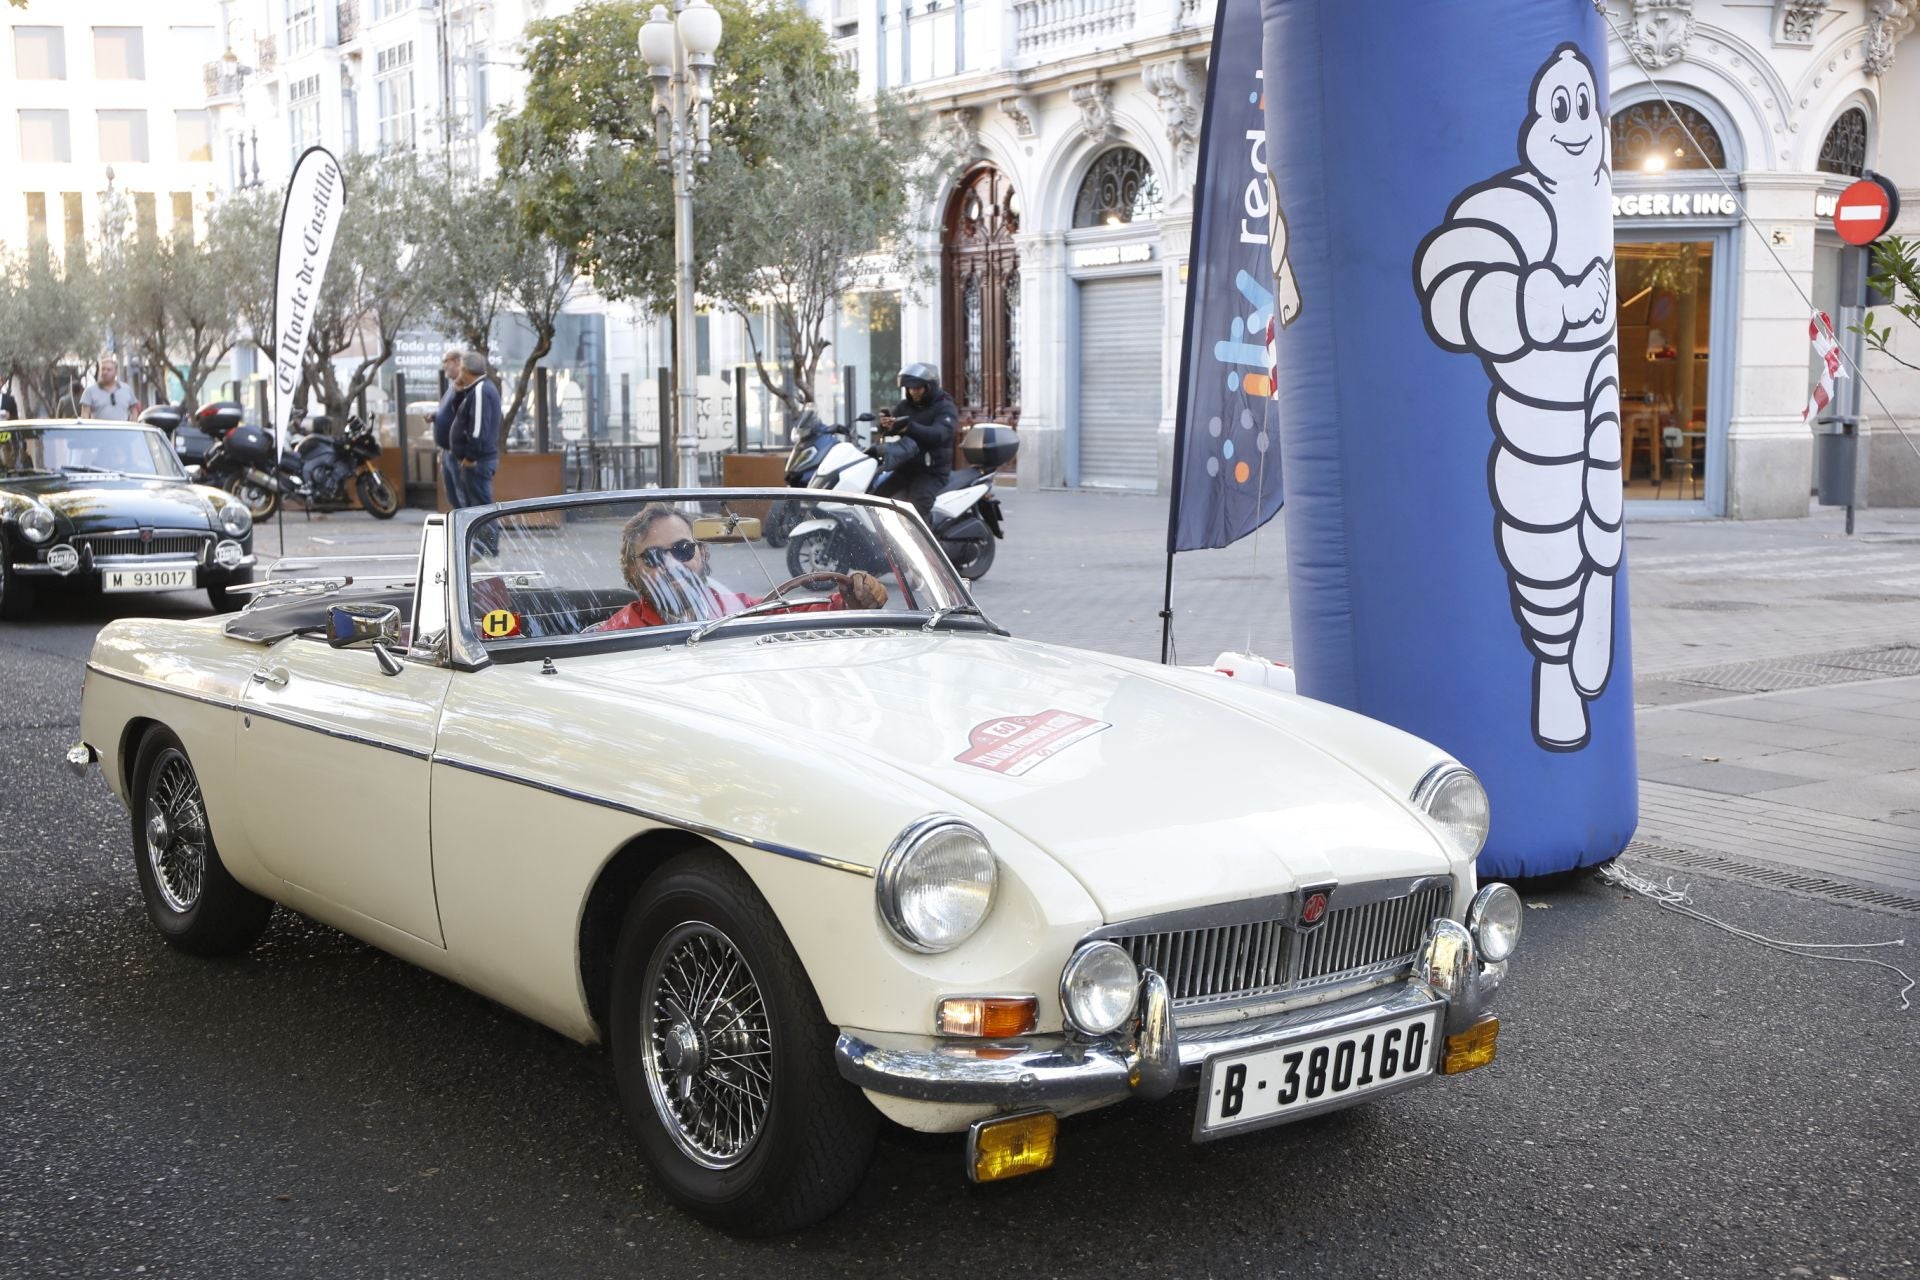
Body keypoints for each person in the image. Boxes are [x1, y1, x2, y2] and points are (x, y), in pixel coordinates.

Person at [588, 504, 886, 632]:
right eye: (653, 558)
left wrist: (851, 599)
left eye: (682, 550)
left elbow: (797, 618)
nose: (671, 566)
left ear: (702, 553)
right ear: (632, 571)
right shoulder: (619, 630)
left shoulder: (738, 610)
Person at [872, 362, 957, 528]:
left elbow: (939, 435)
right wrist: (886, 425)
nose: (913, 392)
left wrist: (909, 427)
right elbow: (893, 424)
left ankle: (925, 551)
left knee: (916, 511)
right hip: (905, 468)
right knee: (877, 499)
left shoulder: (945, 407)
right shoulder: (905, 406)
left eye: (918, 388)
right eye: (910, 389)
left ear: (929, 387)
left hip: (931, 472)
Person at [446, 350, 502, 509]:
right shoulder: (475, 389)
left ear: (465, 370)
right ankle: (478, 535)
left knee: (481, 509)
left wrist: (470, 458)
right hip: (477, 460)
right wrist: (458, 393)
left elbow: (478, 428)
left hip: (478, 461)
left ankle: (488, 535)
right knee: (475, 508)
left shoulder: (481, 390)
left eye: (461, 368)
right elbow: (462, 416)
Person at [430, 348, 464, 508]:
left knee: (463, 495)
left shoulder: (464, 386)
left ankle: (479, 532)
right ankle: (462, 531)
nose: (444, 366)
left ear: (457, 362)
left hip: (458, 452)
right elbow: (449, 413)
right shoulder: (453, 387)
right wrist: (435, 417)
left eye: (446, 362)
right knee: (452, 495)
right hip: (447, 452)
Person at [79, 357, 137, 422]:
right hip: (99, 431)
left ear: (116, 372)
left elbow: (134, 411)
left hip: (122, 430)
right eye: (103, 369)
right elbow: (85, 414)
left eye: (109, 370)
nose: (105, 372)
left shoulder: (127, 389)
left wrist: (132, 426)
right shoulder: (90, 391)